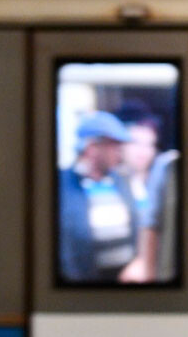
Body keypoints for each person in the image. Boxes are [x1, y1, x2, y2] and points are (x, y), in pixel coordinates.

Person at [57, 112, 140, 283]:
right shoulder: (62, 184)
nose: (120, 153)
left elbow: (136, 226)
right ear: (92, 147)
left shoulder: (120, 180)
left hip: (126, 282)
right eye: (114, 146)